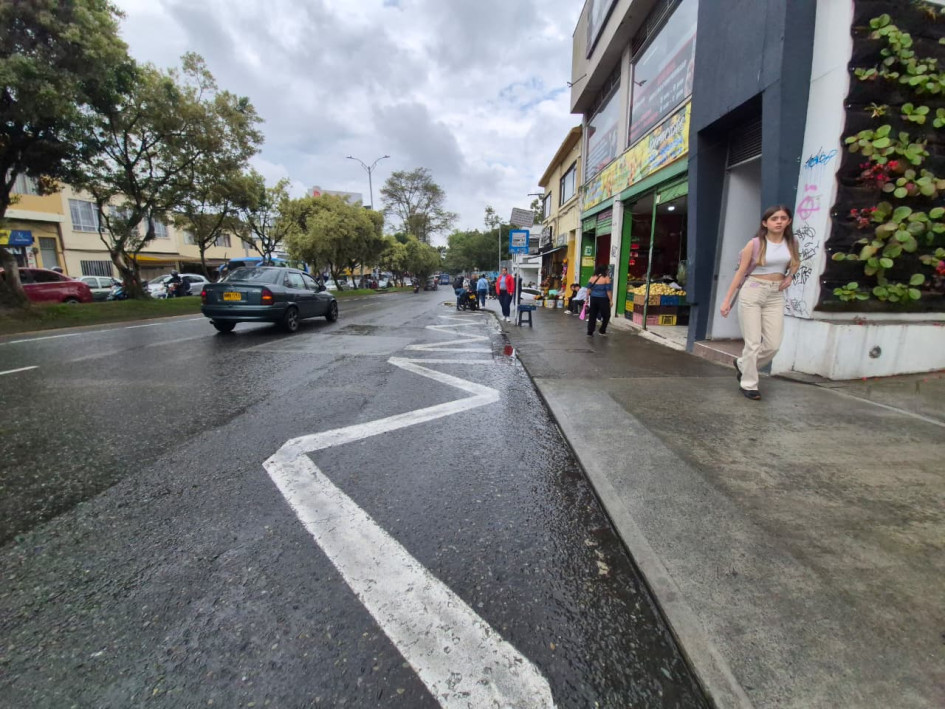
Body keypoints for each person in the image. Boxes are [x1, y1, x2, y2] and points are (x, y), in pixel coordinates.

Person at [720, 205, 800, 401]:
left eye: (783, 218)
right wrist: (727, 300)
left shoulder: (792, 243)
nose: (779, 221)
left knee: (773, 344)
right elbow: (740, 272)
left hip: (775, 294)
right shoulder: (755, 244)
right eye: (774, 218)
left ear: (788, 221)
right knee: (753, 343)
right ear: (765, 223)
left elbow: (796, 262)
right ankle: (749, 384)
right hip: (753, 290)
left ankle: (742, 364)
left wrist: (790, 277)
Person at [585, 265, 612, 336]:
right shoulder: (606, 278)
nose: (608, 271)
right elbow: (608, 291)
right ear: (605, 270)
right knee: (606, 315)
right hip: (603, 299)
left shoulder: (592, 277)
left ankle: (590, 331)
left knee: (592, 315)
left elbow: (588, 289)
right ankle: (602, 330)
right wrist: (611, 300)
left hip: (593, 298)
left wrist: (587, 299)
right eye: (607, 270)